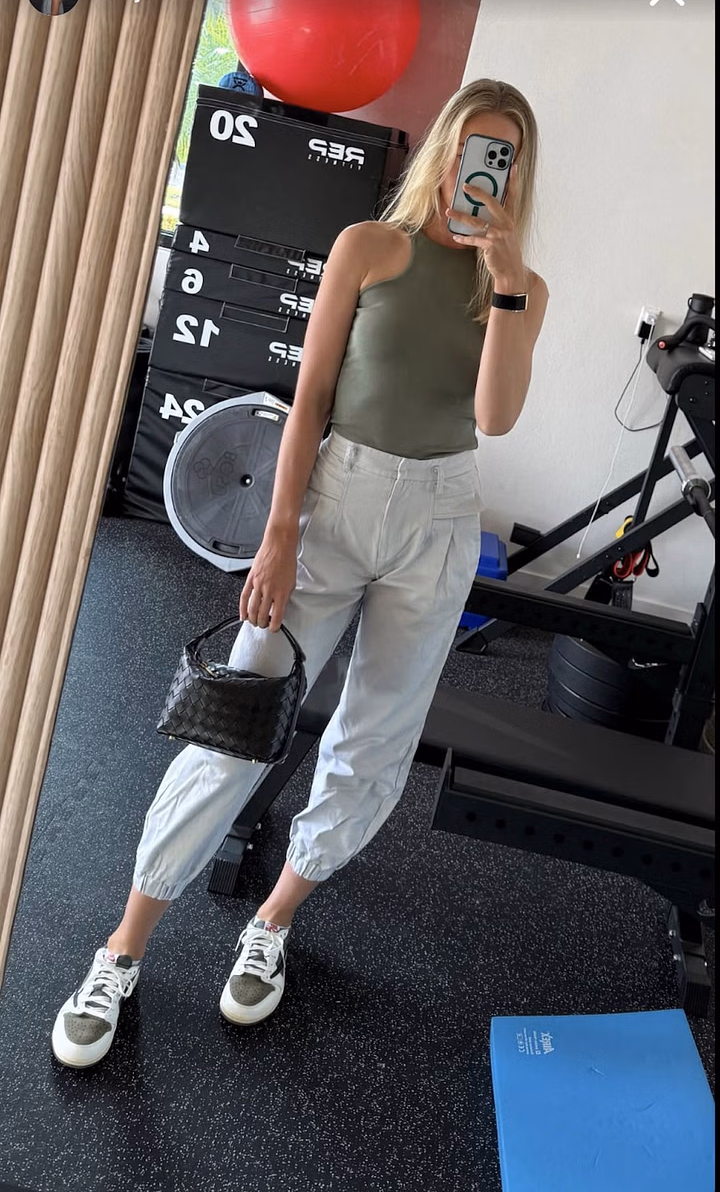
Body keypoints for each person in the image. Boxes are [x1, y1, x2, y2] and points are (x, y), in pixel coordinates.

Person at [52, 79, 549, 1069]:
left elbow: (494, 417)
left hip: (442, 514)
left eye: (501, 158)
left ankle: (273, 919)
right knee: (236, 720)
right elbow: (311, 393)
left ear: (516, 174)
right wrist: (278, 532)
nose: (478, 173)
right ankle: (122, 947)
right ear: (445, 150)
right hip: (338, 495)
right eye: (470, 149)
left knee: (374, 740)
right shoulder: (369, 247)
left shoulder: (523, 288)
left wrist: (502, 281)